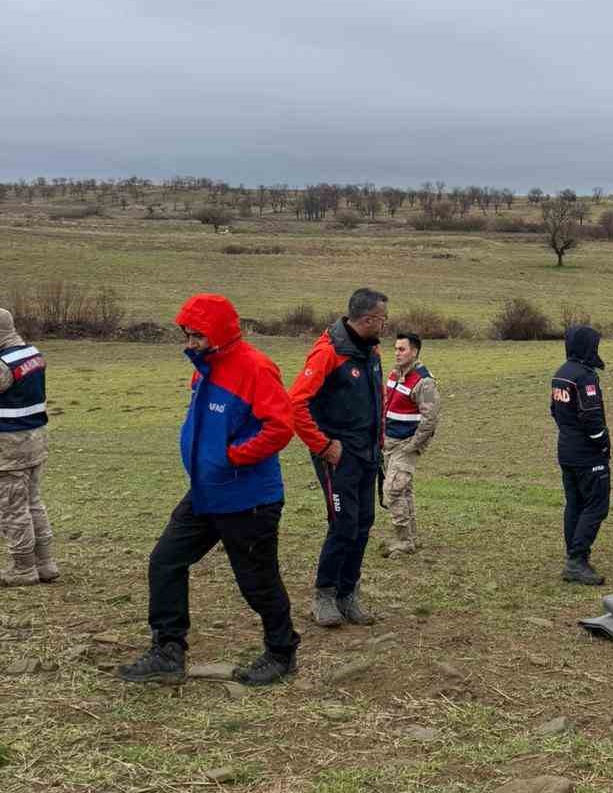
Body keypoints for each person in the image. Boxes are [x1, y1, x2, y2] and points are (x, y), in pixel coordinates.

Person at [118, 294, 300, 686]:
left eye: (196, 335)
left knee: (258, 582)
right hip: (205, 494)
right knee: (165, 561)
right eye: (186, 334)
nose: (189, 342)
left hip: (248, 499)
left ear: (218, 333)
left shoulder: (255, 368)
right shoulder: (204, 368)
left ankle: (282, 653)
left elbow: (280, 427)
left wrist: (234, 456)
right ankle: (168, 650)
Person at [291, 288, 387, 628]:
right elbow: (296, 405)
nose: (385, 325)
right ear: (368, 319)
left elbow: (375, 399)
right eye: (382, 319)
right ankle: (325, 594)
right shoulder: (327, 353)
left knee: (363, 524)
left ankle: (349, 594)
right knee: (343, 524)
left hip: (368, 454)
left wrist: (380, 439)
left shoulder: (371, 351)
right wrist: (323, 445)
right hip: (338, 457)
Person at [0, 307, 57, 586]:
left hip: (9, 446)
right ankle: (45, 563)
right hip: (34, 440)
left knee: (12, 508)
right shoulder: (31, 354)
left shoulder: (4, 365)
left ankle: (22, 568)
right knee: (33, 503)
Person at [550, 324, 611, 585]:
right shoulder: (585, 377)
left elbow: (554, 410)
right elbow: (591, 416)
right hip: (587, 453)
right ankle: (576, 560)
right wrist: (603, 443)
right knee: (596, 505)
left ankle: (575, 555)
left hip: (566, 447)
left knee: (574, 503)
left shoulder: (561, 373)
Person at [381, 331, 441, 557]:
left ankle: (403, 541)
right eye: (395, 349)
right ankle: (411, 537)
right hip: (390, 442)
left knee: (393, 491)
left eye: (402, 349)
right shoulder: (395, 374)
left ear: (414, 351)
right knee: (404, 489)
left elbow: (431, 419)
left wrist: (412, 445)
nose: (397, 353)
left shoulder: (424, 381)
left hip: (406, 444)